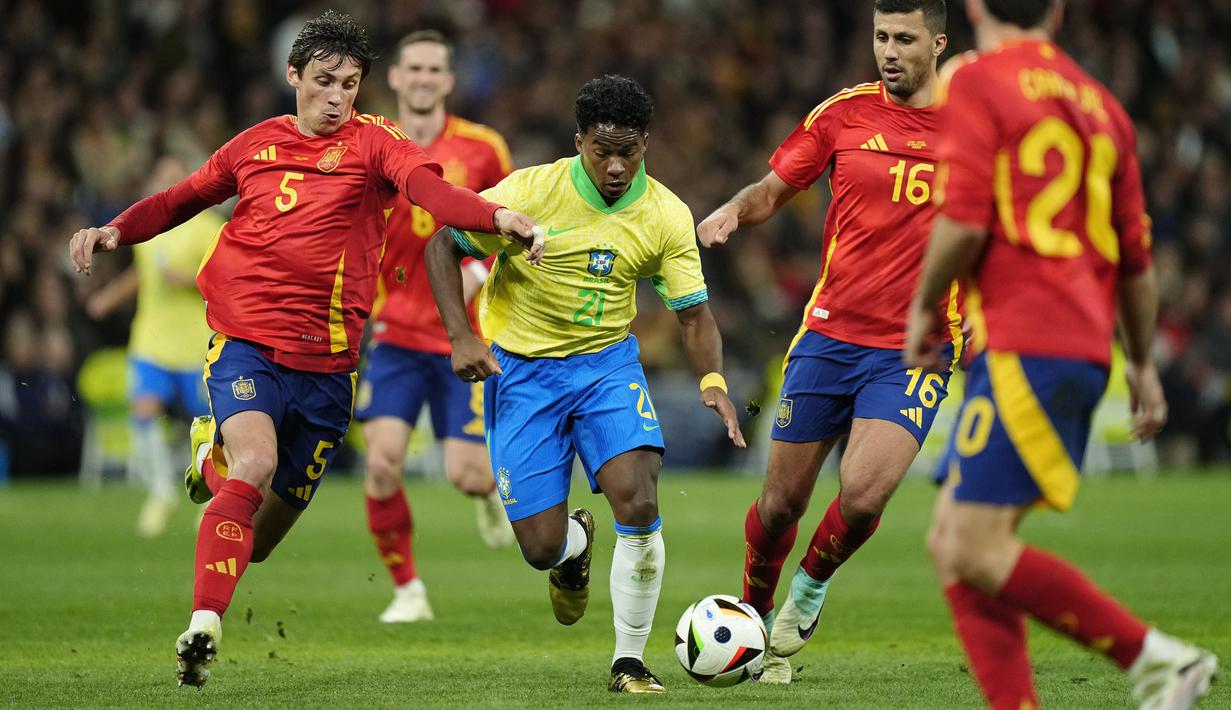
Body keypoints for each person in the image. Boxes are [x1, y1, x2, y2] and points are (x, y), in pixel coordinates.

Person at [67, 10, 537, 688]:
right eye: (323, 82)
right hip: (248, 346)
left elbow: (429, 191)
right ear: (293, 76)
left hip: (329, 373)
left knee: (255, 545)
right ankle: (203, 629)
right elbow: (182, 198)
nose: (336, 97)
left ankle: (212, 455)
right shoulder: (255, 144)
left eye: (349, 84)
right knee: (254, 466)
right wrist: (117, 230)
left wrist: (492, 216)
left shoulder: (378, 143)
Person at [903, 1, 1218, 708]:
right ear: (1057, 10)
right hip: (1080, 346)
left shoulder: (973, 80)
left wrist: (924, 308)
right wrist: (1140, 363)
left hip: (1026, 342)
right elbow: (1136, 261)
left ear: (976, 7)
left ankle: (1156, 658)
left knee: (973, 547)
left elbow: (960, 220)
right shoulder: (1102, 105)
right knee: (956, 542)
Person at [426, 74, 746, 694]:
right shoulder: (532, 191)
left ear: (646, 144)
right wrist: (462, 337)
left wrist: (711, 378)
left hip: (605, 365)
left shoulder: (665, 215)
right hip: (520, 370)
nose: (618, 165)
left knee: (640, 499)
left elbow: (693, 315)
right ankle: (573, 548)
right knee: (540, 548)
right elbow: (444, 244)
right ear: (580, 142)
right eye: (604, 151)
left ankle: (629, 661)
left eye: (630, 151)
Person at [696, 0, 958, 682]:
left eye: (904, 38)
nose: (888, 50)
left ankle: (809, 589)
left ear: (938, 42)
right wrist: (732, 210)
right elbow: (772, 188)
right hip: (828, 336)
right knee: (780, 505)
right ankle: (752, 620)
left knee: (864, 494)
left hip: (917, 346)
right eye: (879, 36)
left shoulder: (976, 129)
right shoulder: (841, 114)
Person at [357, 30, 515, 625]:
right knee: (381, 463)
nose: (423, 78)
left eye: (435, 69)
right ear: (394, 78)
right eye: (413, 68)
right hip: (393, 331)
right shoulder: (370, 144)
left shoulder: (483, 148)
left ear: (449, 81)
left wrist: (476, 266)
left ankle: (487, 499)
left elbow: (511, 223)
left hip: (464, 333)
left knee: (468, 474)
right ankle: (408, 590)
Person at [85, 155, 222, 538]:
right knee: (144, 408)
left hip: (196, 343)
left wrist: (190, 281)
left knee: (210, 425)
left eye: (176, 177)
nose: (168, 182)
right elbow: (142, 273)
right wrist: (108, 298)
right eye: (162, 176)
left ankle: (213, 497)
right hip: (151, 340)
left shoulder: (207, 227)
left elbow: (227, 277)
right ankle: (161, 492)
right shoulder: (151, 225)